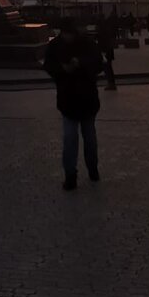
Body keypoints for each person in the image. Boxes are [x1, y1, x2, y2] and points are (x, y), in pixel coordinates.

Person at [43, 18, 102, 190]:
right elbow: (49, 66)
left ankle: (92, 168)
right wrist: (63, 69)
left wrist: (80, 63)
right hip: (68, 100)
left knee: (89, 138)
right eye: (65, 34)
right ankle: (70, 175)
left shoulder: (86, 43)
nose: (67, 37)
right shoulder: (55, 46)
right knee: (70, 139)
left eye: (70, 34)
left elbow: (98, 62)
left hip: (87, 99)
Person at [95, 13, 118, 90]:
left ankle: (111, 83)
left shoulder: (101, 30)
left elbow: (101, 40)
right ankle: (111, 83)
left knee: (106, 67)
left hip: (105, 51)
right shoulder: (106, 27)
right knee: (107, 67)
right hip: (107, 50)